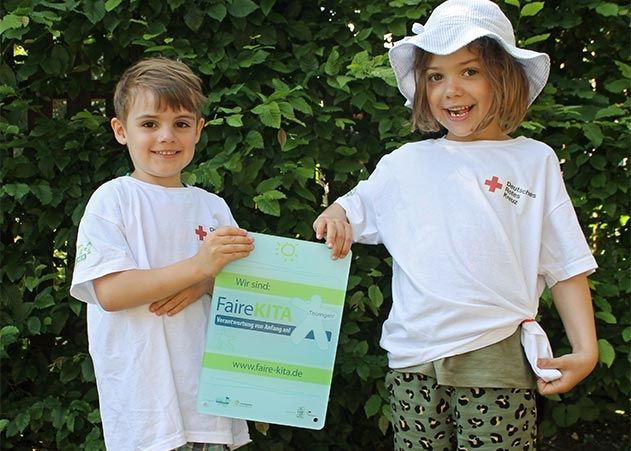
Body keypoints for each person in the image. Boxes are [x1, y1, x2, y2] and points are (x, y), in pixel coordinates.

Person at [313, 1, 598, 449]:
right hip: (411, 359)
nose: (451, 90)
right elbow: (353, 208)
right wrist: (336, 214)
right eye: (436, 76)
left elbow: (565, 262)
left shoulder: (533, 160)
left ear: (503, 77)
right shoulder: (404, 164)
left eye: (470, 72)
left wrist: (586, 349)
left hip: (495, 352)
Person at [70, 57, 255, 451]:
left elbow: (244, 295)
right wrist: (197, 267)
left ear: (198, 131)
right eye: (150, 123)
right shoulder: (112, 200)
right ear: (121, 130)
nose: (167, 136)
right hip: (145, 413)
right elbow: (110, 292)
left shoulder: (214, 208)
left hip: (210, 407)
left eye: (182, 124)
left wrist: (206, 281)